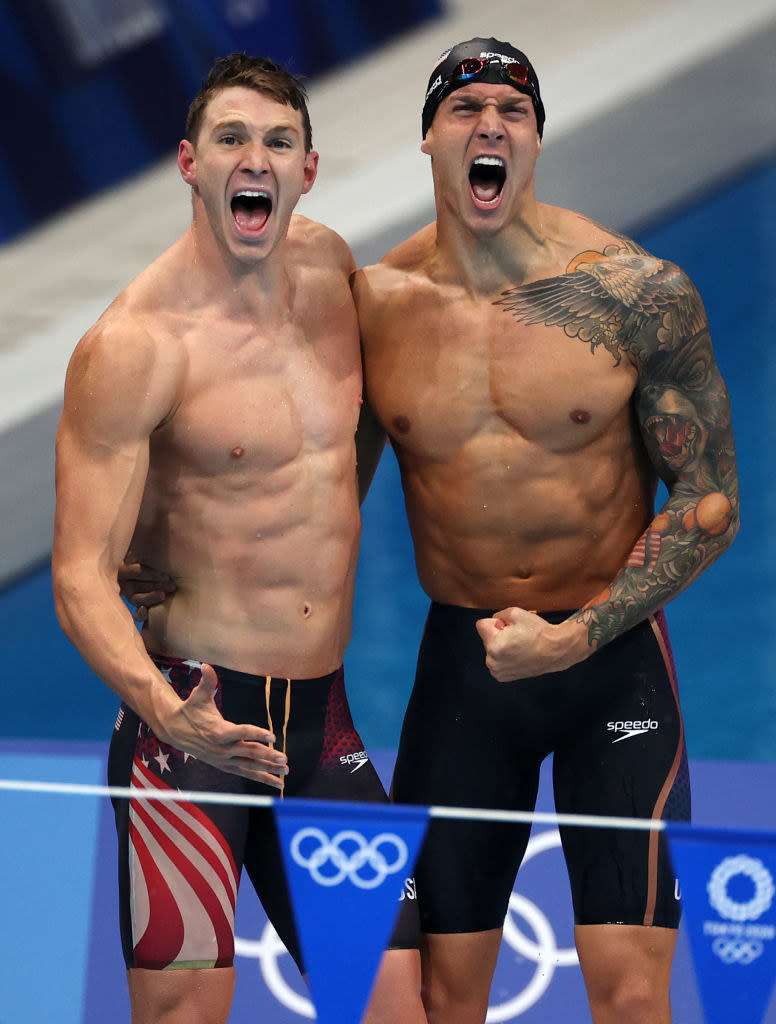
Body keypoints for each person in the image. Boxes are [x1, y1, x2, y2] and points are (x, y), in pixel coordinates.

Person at [350, 36, 739, 1024]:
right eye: (464, 109)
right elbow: (319, 501)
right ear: (429, 139)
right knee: (442, 997)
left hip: (609, 668)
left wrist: (575, 635)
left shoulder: (633, 292)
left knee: (628, 989)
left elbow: (706, 501)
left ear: (533, 142)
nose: (488, 125)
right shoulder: (375, 308)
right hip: (463, 674)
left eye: (511, 111)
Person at [52, 54, 424, 1024]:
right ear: (188, 162)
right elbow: (78, 575)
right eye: (230, 138)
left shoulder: (333, 273)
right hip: (193, 728)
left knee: (397, 1005)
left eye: (275, 140)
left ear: (306, 168)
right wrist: (159, 706)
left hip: (320, 726)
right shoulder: (135, 344)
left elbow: (345, 442)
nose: (252, 158)